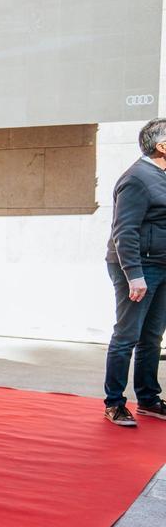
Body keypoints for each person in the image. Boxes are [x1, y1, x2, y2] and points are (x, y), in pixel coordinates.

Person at [104, 117, 166, 427]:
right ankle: (114, 402)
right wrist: (134, 274)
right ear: (162, 146)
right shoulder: (137, 179)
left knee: (152, 338)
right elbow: (124, 231)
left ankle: (148, 398)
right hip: (139, 267)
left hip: (161, 266)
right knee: (127, 335)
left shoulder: (161, 176)